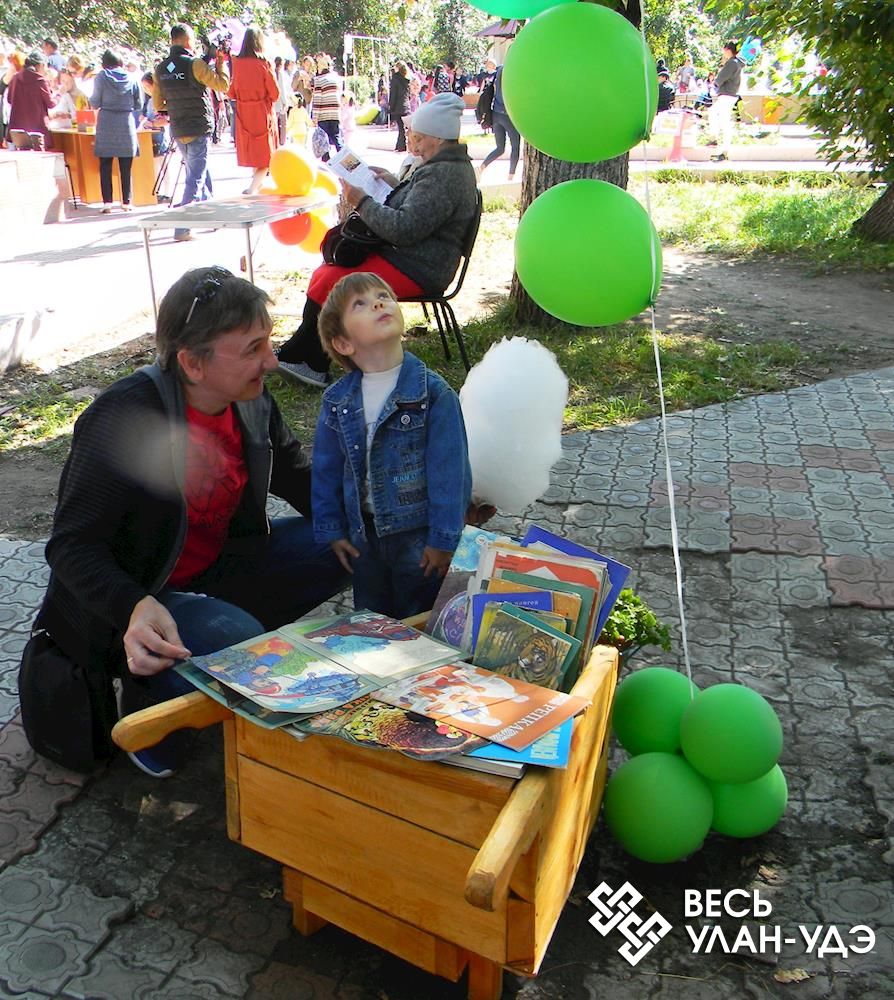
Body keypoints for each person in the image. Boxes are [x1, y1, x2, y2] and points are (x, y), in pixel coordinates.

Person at [33, 265, 348, 777]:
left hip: (217, 571)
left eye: (268, 342)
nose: (271, 361)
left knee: (343, 538)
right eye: (253, 349)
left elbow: (297, 477)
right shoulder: (124, 418)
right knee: (234, 635)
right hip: (138, 601)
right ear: (193, 363)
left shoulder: (249, 402)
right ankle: (151, 709)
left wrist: (384, 519)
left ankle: (224, 660)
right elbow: (71, 546)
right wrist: (133, 606)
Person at [275, 92, 477, 389]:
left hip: (420, 266)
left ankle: (311, 362)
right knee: (325, 275)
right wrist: (395, 186)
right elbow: (421, 211)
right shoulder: (446, 167)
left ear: (438, 138)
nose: (414, 145)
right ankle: (301, 354)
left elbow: (403, 229)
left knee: (334, 281)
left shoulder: (442, 175)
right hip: (414, 258)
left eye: (419, 138)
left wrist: (362, 201)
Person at [312, 273, 471, 619]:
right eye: (361, 303)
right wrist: (332, 528)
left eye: (383, 295)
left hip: (417, 536)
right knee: (371, 620)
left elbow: (450, 471)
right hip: (364, 535)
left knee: (418, 616)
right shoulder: (337, 401)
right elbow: (326, 469)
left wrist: (443, 539)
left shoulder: (434, 394)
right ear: (344, 344)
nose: (378, 303)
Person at [153, 24, 230, 241]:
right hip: (198, 126)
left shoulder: (160, 69)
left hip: (178, 128)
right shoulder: (195, 64)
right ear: (188, 40)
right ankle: (182, 228)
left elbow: (158, 103)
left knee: (200, 171)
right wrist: (221, 63)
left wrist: (175, 105)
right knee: (195, 178)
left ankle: (212, 216)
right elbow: (223, 85)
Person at [228, 27, 279, 195]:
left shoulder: (237, 63)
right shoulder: (264, 63)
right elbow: (275, 93)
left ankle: (257, 185)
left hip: (243, 114)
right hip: (261, 112)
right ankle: (253, 187)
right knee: (265, 155)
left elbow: (231, 92)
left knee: (253, 153)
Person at [91, 50, 141, 213]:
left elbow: (95, 102)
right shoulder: (132, 78)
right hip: (126, 122)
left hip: (106, 122)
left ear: (104, 64)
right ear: (120, 63)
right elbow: (139, 104)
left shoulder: (101, 77)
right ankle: (126, 202)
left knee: (105, 164)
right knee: (126, 165)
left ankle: (107, 203)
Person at [477, 64, 521, 182]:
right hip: (509, 116)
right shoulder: (513, 70)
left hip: (496, 114)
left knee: (500, 148)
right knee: (515, 147)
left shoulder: (500, 70)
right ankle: (510, 177)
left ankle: (482, 167)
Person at [7, 50, 54, 149]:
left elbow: (9, 100)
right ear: (40, 65)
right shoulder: (40, 81)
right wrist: (59, 94)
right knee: (41, 156)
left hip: (18, 129)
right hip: (38, 129)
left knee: (23, 156)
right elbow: (51, 103)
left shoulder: (15, 78)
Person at [707, 41, 743, 162]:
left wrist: (714, 85)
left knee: (723, 120)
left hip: (726, 94)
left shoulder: (731, 63)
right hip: (730, 94)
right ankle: (717, 142)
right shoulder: (737, 63)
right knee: (719, 117)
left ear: (728, 50)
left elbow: (720, 78)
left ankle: (718, 143)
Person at [312, 54, 341, 159]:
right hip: (335, 113)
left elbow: (318, 99)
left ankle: (327, 161)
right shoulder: (336, 78)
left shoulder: (319, 79)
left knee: (323, 140)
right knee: (336, 137)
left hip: (323, 114)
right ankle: (345, 158)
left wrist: (315, 117)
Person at [388, 61, 411, 152]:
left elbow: (393, 94)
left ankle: (401, 146)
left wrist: (391, 107)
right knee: (404, 128)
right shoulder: (407, 78)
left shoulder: (395, 78)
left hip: (398, 106)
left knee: (401, 128)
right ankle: (402, 145)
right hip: (406, 105)